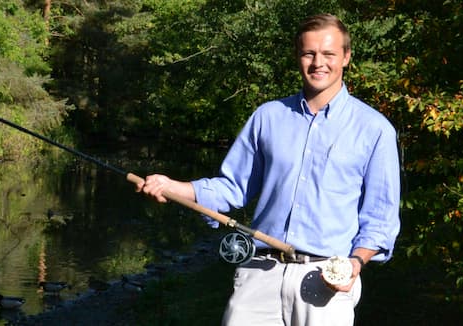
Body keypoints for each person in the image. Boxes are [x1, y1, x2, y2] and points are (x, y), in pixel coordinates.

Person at [137, 13, 400, 326]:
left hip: (326, 282)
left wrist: (355, 264)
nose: (319, 62)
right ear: (297, 56)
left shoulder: (374, 129)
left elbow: (379, 220)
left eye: (329, 54)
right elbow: (232, 187)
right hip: (259, 275)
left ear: (346, 57)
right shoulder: (268, 117)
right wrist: (175, 187)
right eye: (309, 53)